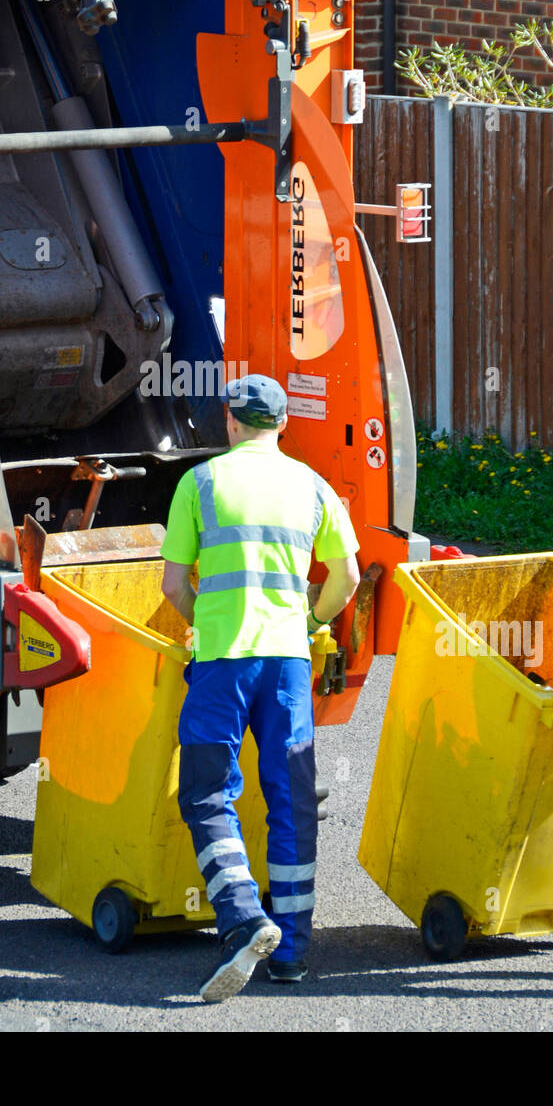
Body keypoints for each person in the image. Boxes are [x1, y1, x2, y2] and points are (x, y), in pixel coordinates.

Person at [160, 373, 360, 1003]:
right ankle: (293, 954)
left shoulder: (200, 483)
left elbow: (171, 586)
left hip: (223, 663)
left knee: (206, 793)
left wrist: (206, 621)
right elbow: (348, 575)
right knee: (292, 802)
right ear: (283, 425)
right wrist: (313, 621)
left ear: (230, 422)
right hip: (287, 665)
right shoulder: (312, 485)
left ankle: (245, 918)